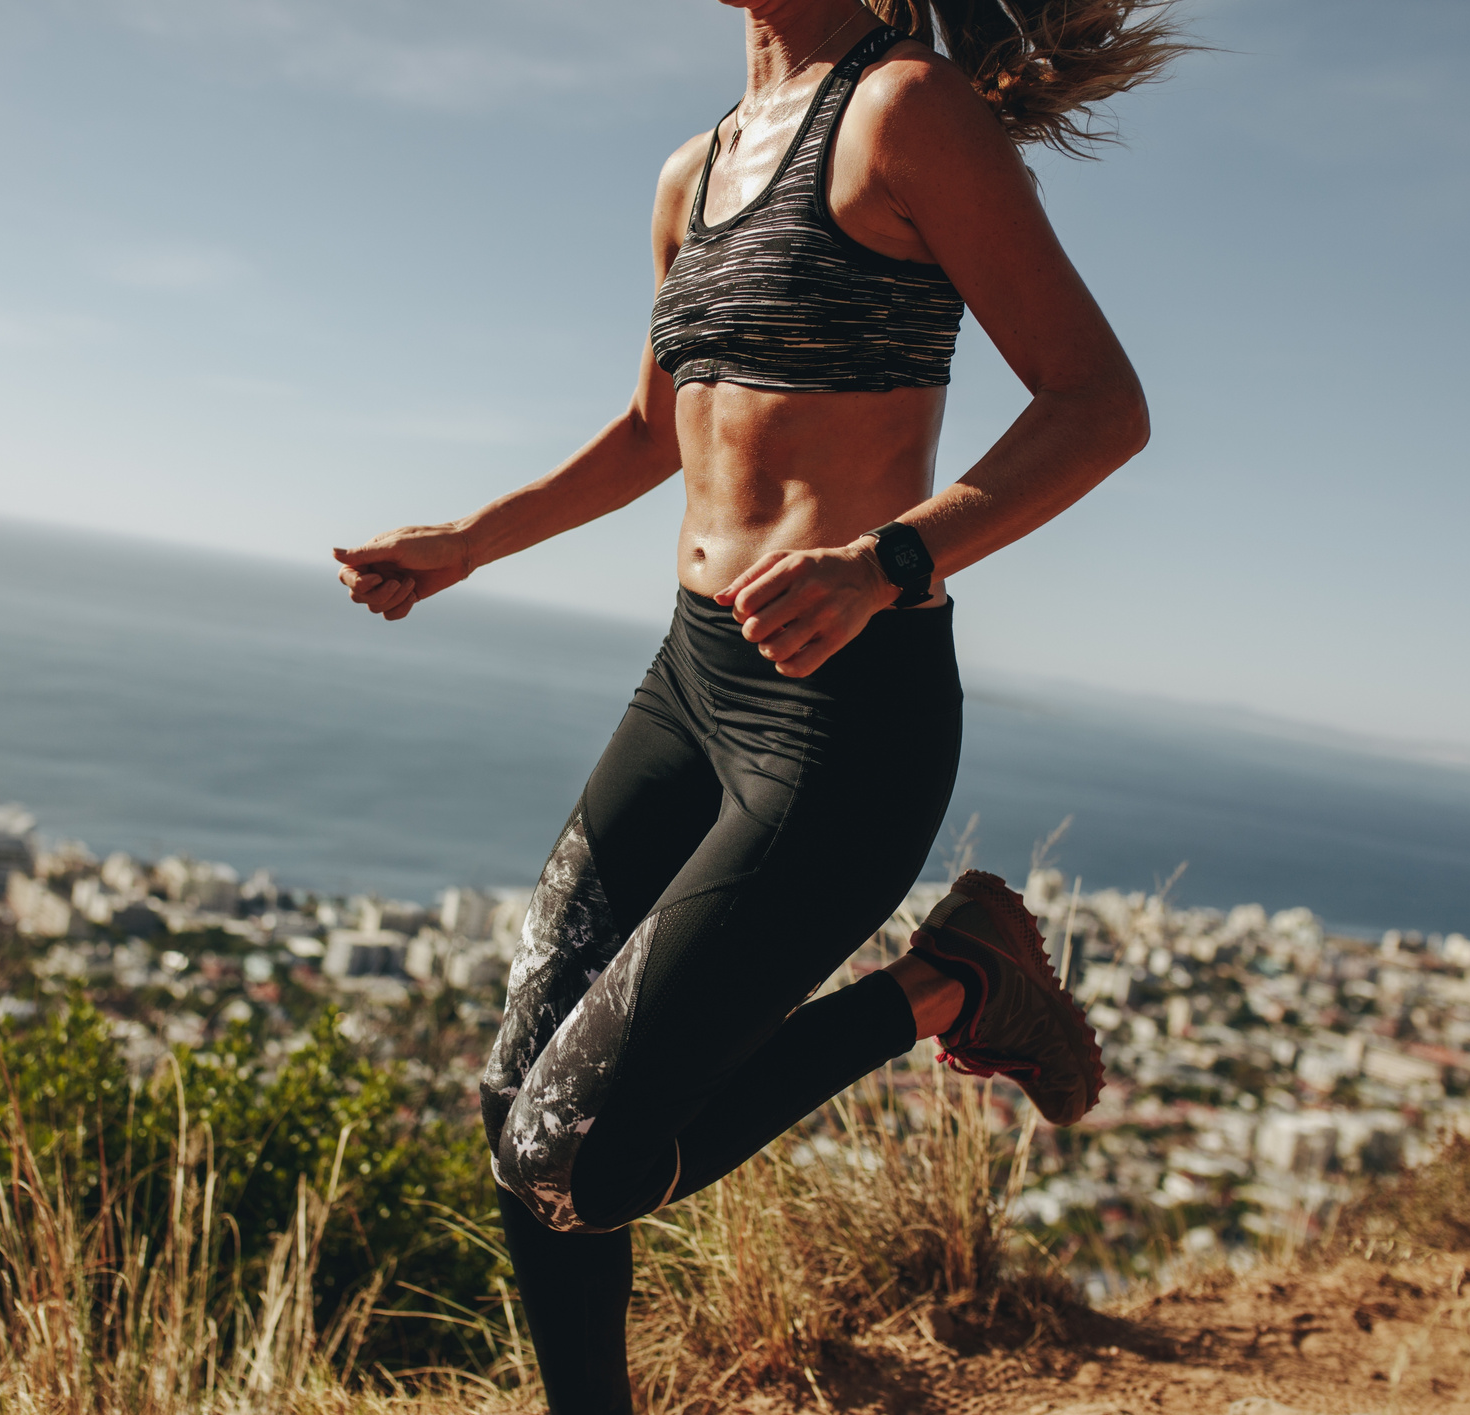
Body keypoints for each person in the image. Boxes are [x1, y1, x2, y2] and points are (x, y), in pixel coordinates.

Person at [335, 1, 1180, 1407]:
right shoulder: (697, 168)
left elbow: (1100, 405)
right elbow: (653, 429)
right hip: (691, 679)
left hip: (845, 715)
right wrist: (466, 543)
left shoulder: (906, 112)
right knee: (513, 1108)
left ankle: (957, 983)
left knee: (574, 1155)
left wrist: (885, 559)